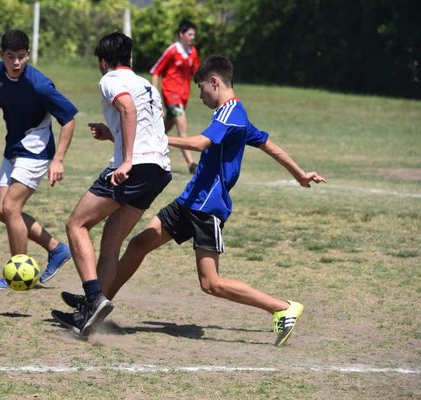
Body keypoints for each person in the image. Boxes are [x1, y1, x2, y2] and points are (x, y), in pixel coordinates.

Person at [59, 55, 326, 347]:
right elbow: (268, 144)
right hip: (190, 200)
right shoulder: (237, 114)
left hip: (207, 207)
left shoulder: (231, 113)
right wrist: (299, 173)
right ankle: (95, 305)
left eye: (201, 89)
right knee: (138, 245)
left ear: (215, 82)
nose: (199, 96)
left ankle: (282, 308)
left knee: (210, 283)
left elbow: (200, 143)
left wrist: (154, 137)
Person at [50, 32, 172, 336]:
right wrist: (113, 134)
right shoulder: (147, 85)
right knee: (111, 241)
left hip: (134, 167)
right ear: (129, 58)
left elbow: (128, 110)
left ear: (104, 62)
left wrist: (127, 160)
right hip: (159, 169)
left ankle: (93, 299)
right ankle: (93, 315)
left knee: (76, 224)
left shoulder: (109, 80)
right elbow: (146, 125)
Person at [0, 29, 76, 288]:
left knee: (11, 208)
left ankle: (19, 274)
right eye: (11, 57)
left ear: (28, 55)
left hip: (36, 150)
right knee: (3, 211)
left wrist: (59, 159)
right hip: (13, 147)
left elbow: (68, 119)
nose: (17, 63)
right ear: (2, 56)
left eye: (21, 57)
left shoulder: (39, 85)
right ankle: (57, 249)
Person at [150, 19, 200, 174]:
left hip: (183, 96)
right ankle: (192, 164)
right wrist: (154, 92)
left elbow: (197, 73)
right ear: (181, 34)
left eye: (193, 34)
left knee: (165, 127)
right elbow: (156, 70)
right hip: (171, 94)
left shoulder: (193, 52)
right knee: (182, 127)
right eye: (190, 34)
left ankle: (148, 143)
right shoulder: (173, 50)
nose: (192, 37)